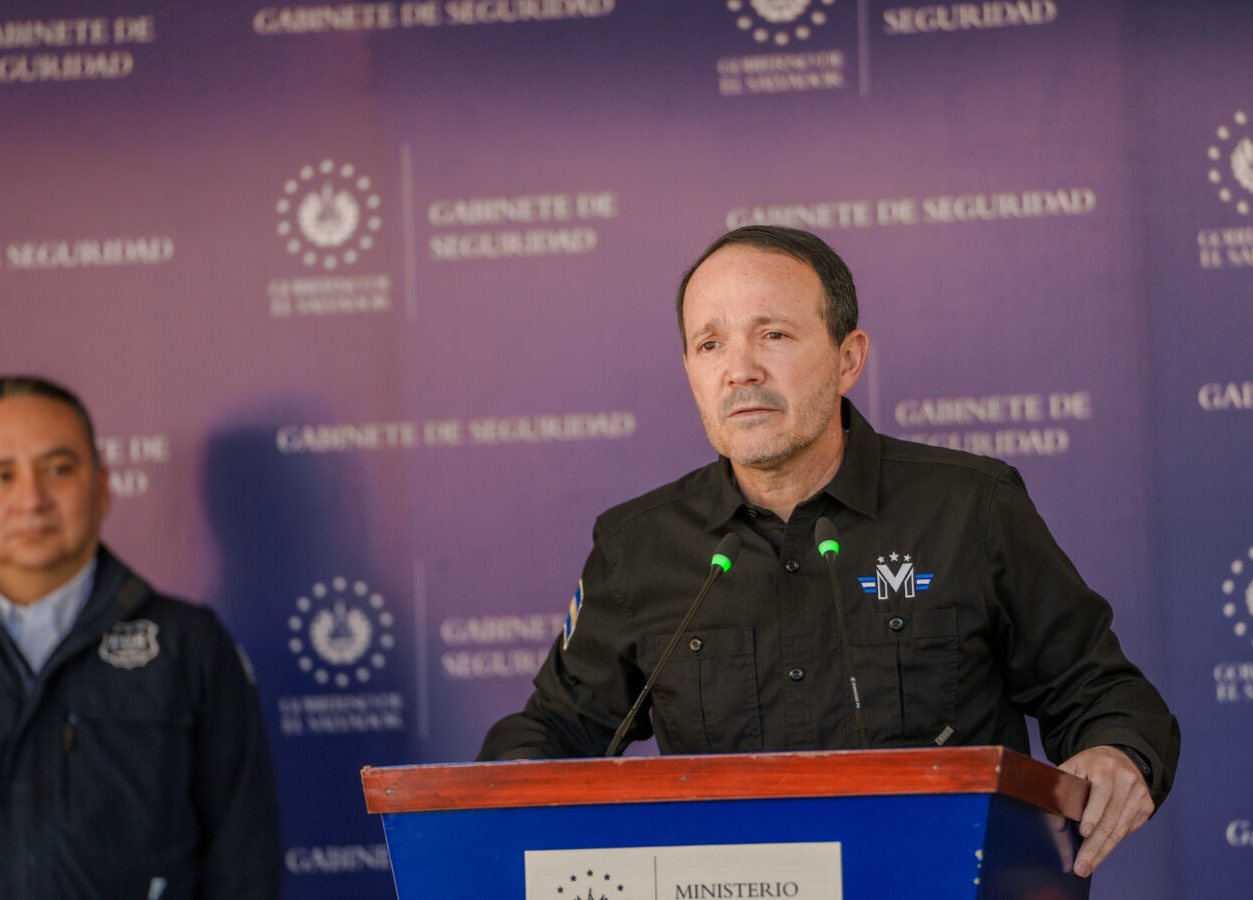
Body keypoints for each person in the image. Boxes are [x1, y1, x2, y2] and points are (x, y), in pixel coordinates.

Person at [479, 225, 1179, 877]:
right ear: (689, 368)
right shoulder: (637, 546)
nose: (740, 370)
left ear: (848, 359)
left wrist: (1116, 753)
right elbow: (554, 730)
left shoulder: (972, 508)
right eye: (710, 344)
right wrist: (497, 803)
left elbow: (1101, 694)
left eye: (774, 335)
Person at [0, 375, 280, 899]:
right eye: (0, 476)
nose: (31, 498)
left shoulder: (190, 647)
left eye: (58, 469)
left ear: (101, 485)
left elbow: (244, 865)